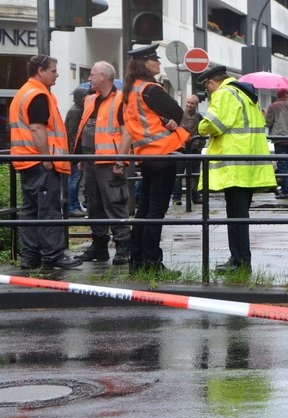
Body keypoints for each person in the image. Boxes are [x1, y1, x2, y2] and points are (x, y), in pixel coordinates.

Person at [195, 64, 276, 273]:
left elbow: (214, 124)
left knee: (236, 217)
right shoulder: (245, 95)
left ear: (212, 83)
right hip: (248, 165)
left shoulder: (224, 94)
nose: (209, 93)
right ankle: (239, 259)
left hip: (234, 168)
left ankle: (240, 262)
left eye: (207, 88)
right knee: (240, 216)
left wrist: (200, 126)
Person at [8, 55, 82, 270]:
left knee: (30, 210)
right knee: (48, 209)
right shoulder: (38, 95)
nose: (56, 74)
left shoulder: (24, 92)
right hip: (40, 162)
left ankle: (30, 256)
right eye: (53, 70)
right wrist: (47, 158)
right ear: (40, 71)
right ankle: (53, 255)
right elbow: (38, 129)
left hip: (25, 159)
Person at [122, 44, 188, 275]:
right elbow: (177, 112)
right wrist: (169, 121)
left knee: (144, 211)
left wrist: (163, 119)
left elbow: (140, 124)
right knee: (155, 212)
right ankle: (152, 264)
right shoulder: (151, 89)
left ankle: (137, 260)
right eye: (155, 60)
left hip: (145, 156)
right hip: (162, 154)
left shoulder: (131, 91)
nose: (159, 63)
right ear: (145, 64)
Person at [73, 61, 132, 265]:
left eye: (92, 74)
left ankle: (123, 245)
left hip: (109, 161)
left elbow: (127, 133)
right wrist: (81, 157)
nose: (89, 78)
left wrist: (120, 161)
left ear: (104, 77)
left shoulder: (121, 100)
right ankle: (99, 246)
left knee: (115, 203)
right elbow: (84, 129)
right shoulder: (90, 99)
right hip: (90, 160)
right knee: (94, 204)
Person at [171, 94, 202, 205]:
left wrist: (200, 146)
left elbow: (202, 132)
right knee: (178, 175)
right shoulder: (179, 115)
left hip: (194, 150)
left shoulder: (199, 117)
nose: (189, 105)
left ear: (196, 105)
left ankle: (195, 196)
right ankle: (176, 197)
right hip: (181, 150)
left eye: (192, 103)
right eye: (188, 102)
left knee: (195, 175)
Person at [64, 85, 89, 217]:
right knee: (73, 179)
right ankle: (72, 206)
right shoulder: (76, 111)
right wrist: (76, 154)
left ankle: (74, 204)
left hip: (74, 151)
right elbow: (73, 133)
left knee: (75, 179)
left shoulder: (78, 110)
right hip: (73, 152)